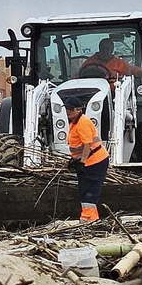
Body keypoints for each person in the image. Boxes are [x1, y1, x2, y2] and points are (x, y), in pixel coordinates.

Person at [61, 88, 109, 223]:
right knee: (84, 190)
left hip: (95, 161)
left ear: (78, 110)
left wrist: (81, 162)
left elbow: (87, 145)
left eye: (71, 109)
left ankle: (89, 219)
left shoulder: (82, 123)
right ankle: (89, 218)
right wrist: (74, 160)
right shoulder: (74, 123)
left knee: (90, 191)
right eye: (67, 109)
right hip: (88, 161)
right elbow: (78, 147)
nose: (68, 111)